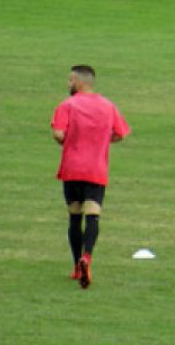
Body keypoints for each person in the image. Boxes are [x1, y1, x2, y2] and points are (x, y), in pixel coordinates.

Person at [51, 65, 131, 289]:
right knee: (93, 215)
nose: (68, 85)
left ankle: (77, 267)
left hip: (72, 168)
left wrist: (69, 141)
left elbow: (58, 133)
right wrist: (101, 142)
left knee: (75, 217)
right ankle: (88, 256)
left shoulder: (67, 105)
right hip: (96, 169)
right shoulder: (108, 106)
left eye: (70, 81)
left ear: (79, 82)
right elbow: (120, 133)